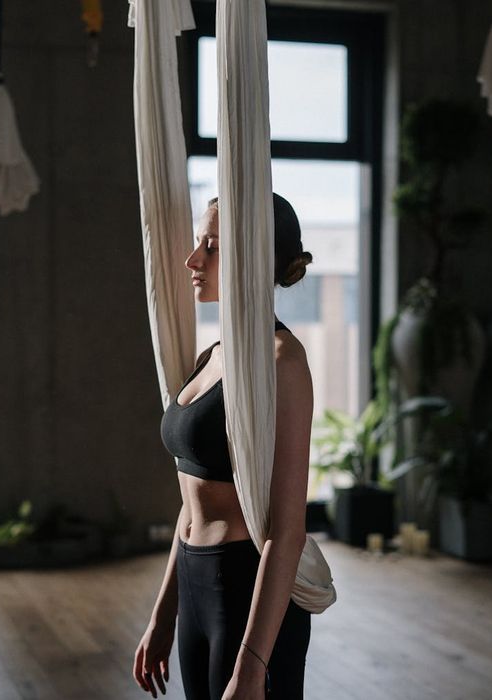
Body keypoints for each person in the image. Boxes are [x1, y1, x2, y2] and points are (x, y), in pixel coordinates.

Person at [133, 193, 315, 700]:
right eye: (199, 243)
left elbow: (288, 530)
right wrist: (161, 617)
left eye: (211, 246)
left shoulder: (283, 362)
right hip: (193, 587)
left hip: (244, 591)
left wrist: (254, 666)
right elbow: (190, 507)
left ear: (249, 257)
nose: (194, 259)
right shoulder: (212, 355)